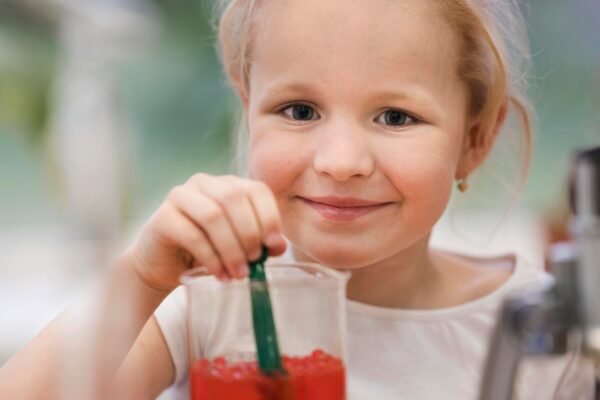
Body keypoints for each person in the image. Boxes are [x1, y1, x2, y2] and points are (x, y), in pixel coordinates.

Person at [0, 0, 596, 399]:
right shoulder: (213, 302)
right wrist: (141, 278)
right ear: (247, 106)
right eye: (299, 111)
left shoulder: (539, 336)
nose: (340, 161)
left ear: (473, 141)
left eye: (395, 116)